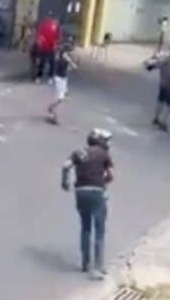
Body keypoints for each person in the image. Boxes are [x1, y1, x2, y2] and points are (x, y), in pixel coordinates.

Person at [60, 128, 114, 280]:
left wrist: (65, 182)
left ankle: (85, 263)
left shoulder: (79, 152)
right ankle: (98, 267)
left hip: (81, 192)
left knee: (85, 227)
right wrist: (103, 182)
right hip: (97, 192)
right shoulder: (104, 154)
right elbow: (111, 175)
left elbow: (66, 166)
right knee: (99, 229)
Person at [150, 45, 170, 132]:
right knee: (169, 105)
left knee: (160, 101)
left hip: (162, 84)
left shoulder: (165, 60)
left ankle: (156, 118)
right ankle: (163, 123)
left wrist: (152, 62)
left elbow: (155, 65)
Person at [47, 44, 78, 125]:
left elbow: (71, 68)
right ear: (64, 52)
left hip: (64, 79)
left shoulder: (64, 59)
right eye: (68, 52)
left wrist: (70, 64)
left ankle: (52, 109)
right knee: (60, 98)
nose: (69, 54)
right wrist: (71, 62)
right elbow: (70, 65)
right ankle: (53, 114)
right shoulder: (61, 58)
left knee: (63, 97)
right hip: (59, 80)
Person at [34, 13, 61, 82]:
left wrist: (40, 42)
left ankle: (39, 77)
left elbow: (39, 35)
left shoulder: (43, 24)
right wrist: (56, 44)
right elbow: (58, 37)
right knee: (51, 63)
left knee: (42, 62)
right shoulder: (55, 25)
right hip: (50, 47)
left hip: (45, 46)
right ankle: (49, 77)